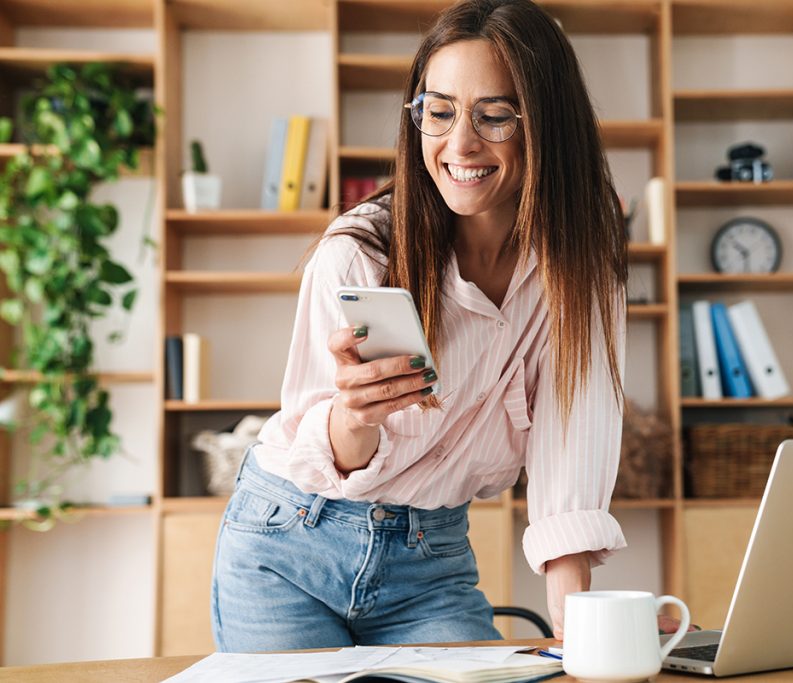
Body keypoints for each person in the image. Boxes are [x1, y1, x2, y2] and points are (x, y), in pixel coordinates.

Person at [211, 0, 630, 652]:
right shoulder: (358, 255)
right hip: (288, 543)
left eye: (494, 115)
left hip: (428, 561)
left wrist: (585, 641)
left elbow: (570, 451)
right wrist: (355, 418)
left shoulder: (581, 276)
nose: (460, 144)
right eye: (438, 112)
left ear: (548, 125)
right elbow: (333, 453)